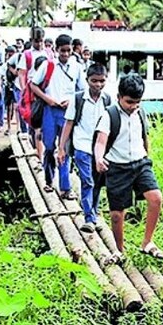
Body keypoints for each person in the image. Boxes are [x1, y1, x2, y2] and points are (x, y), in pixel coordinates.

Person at [92, 74, 163, 263]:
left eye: (137, 102)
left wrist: (147, 156)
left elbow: (144, 136)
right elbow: (100, 142)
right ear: (119, 97)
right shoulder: (110, 115)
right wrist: (99, 159)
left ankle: (147, 242)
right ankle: (119, 250)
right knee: (117, 214)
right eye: (129, 102)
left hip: (140, 163)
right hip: (117, 166)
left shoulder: (140, 112)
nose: (133, 106)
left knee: (156, 198)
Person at [57, 62, 111, 233]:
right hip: (81, 145)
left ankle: (92, 213)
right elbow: (69, 123)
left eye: (101, 81)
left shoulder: (108, 100)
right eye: (94, 81)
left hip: (100, 149)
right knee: (87, 180)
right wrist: (61, 148)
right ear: (87, 80)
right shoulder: (78, 99)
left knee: (97, 183)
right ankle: (89, 217)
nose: (98, 85)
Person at [31, 34, 85, 198]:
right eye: (63, 51)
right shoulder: (48, 65)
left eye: (68, 51)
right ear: (56, 49)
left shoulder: (76, 67)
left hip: (68, 112)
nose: (66, 54)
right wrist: (48, 99)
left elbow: (82, 89)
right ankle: (49, 181)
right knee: (49, 147)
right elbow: (33, 84)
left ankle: (65, 187)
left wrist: (71, 101)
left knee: (65, 148)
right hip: (50, 110)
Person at [3, 45, 18, 135]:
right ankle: (8, 127)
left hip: (16, 87)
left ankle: (18, 128)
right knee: (8, 107)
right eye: (9, 53)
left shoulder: (18, 64)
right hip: (7, 87)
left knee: (17, 107)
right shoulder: (5, 65)